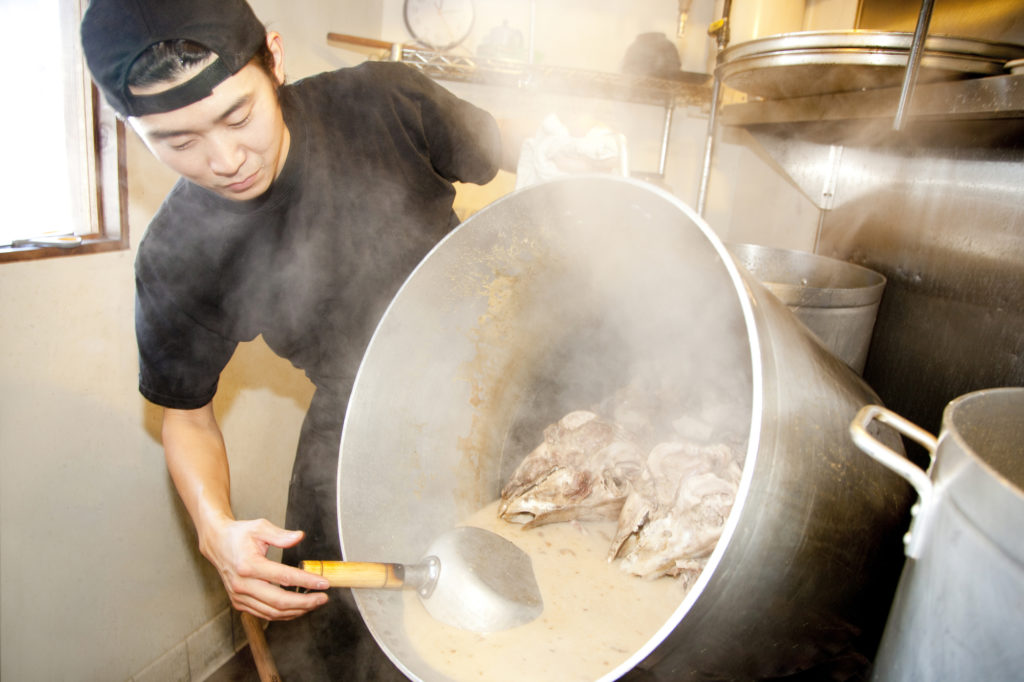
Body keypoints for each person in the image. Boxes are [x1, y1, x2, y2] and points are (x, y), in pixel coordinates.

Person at [80, 0, 505, 676]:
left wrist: (559, 153)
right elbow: (185, 418)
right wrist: (214, 529)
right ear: (131, 131)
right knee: (340, 644)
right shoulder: (176, 255)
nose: (223, 160)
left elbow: (514, 153)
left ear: (274, 59)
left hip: (500, 359)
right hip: (357, 419)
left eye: (236, 115)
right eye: (177, 140)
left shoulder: (383, 100)